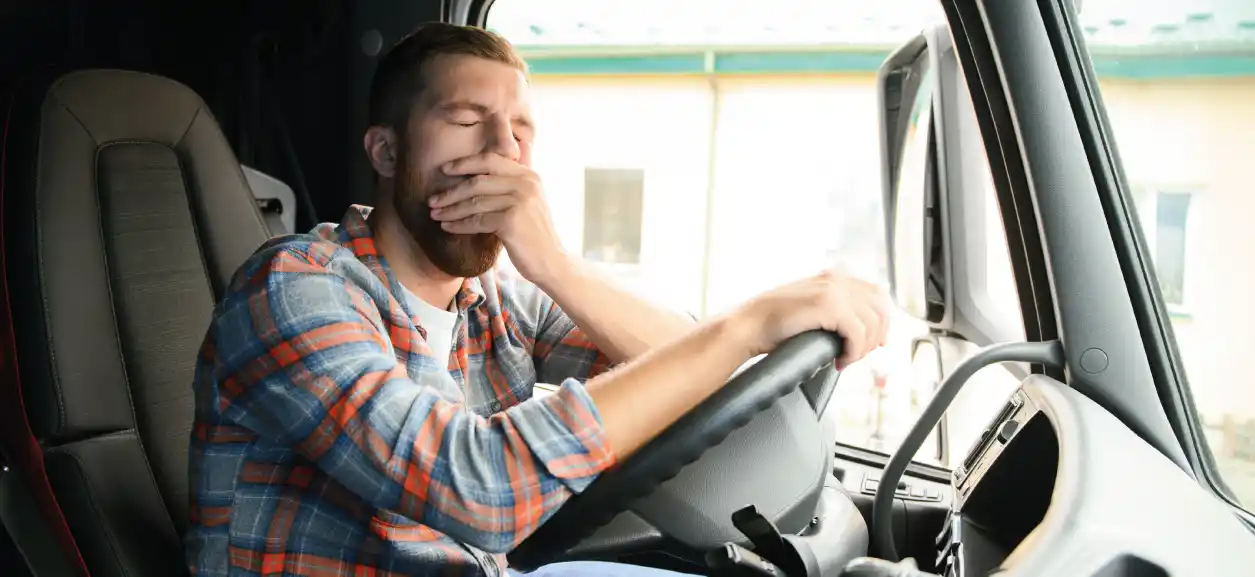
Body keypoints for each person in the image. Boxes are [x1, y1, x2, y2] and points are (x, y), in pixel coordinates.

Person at [184, 22, 889, 577]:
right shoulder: (293, 288)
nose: (502, 151)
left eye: (520, 131)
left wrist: (556, 266)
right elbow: (478, 489)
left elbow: (687, 374)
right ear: (387, 153)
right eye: (466, 120)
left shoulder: (494, 298)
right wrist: (747, 324)